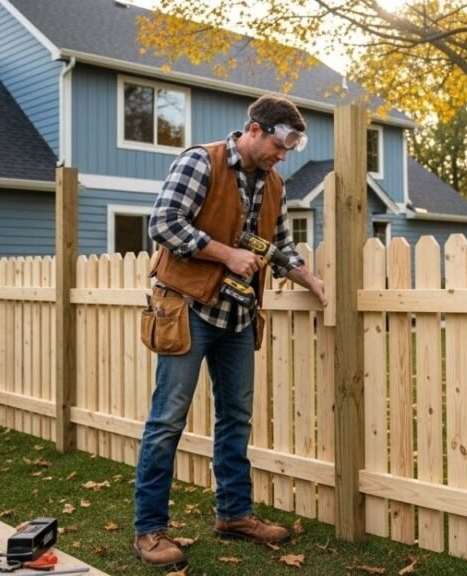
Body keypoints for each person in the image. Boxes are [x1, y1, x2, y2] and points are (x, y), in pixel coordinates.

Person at [133, 94, 327, 570]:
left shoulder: (274, 183)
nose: (282, 157)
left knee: (236, 418)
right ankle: (150, 529)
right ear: (255, 130)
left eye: (289, 150)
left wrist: (309, 278)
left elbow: (280, 246)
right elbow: (163, 224)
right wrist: (226, 254)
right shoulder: (202, 162)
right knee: (167, 421)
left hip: (238, 316)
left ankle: (234, 514)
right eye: (279, 146)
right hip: (188, 307)